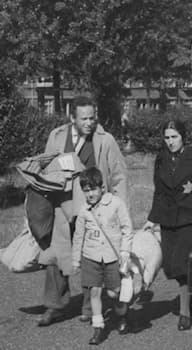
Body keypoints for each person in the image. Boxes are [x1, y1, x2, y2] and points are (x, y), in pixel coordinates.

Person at [37, 95, 128, 327]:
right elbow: (44, 170)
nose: (89, 122)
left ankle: (89, 307)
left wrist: (116, 210)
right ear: (72, 118)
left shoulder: (105, 140)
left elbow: (119, 176)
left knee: (91, 257)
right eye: (84, 118)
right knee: (55, 256)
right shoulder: (57, 137)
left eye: (92, 118)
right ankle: (53, 306)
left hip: (93, 209)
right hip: (60, 207)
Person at [143, 119, 192, 331]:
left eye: (174, 137)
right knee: (171, 266)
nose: (170, 142)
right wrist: (152, 219)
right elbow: (159, 191)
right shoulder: (161, 159)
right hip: (168, 220)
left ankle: (185, 312)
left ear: (183, 137)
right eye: (166, 137)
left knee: (182, 265)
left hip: (191, 219)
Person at [71, 167, 133, 345]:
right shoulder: (84, 210)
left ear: (102, 188)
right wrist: (76, 259)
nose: (89, 194)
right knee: (94, 291)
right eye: (86, 190)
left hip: (113, 257)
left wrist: (125, 251)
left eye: (93, 189)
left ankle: (122, 315)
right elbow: (78, 236)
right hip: (91, 256)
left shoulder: (115, 203)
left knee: (115, 293)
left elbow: (127, 229)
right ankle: (98, 328)